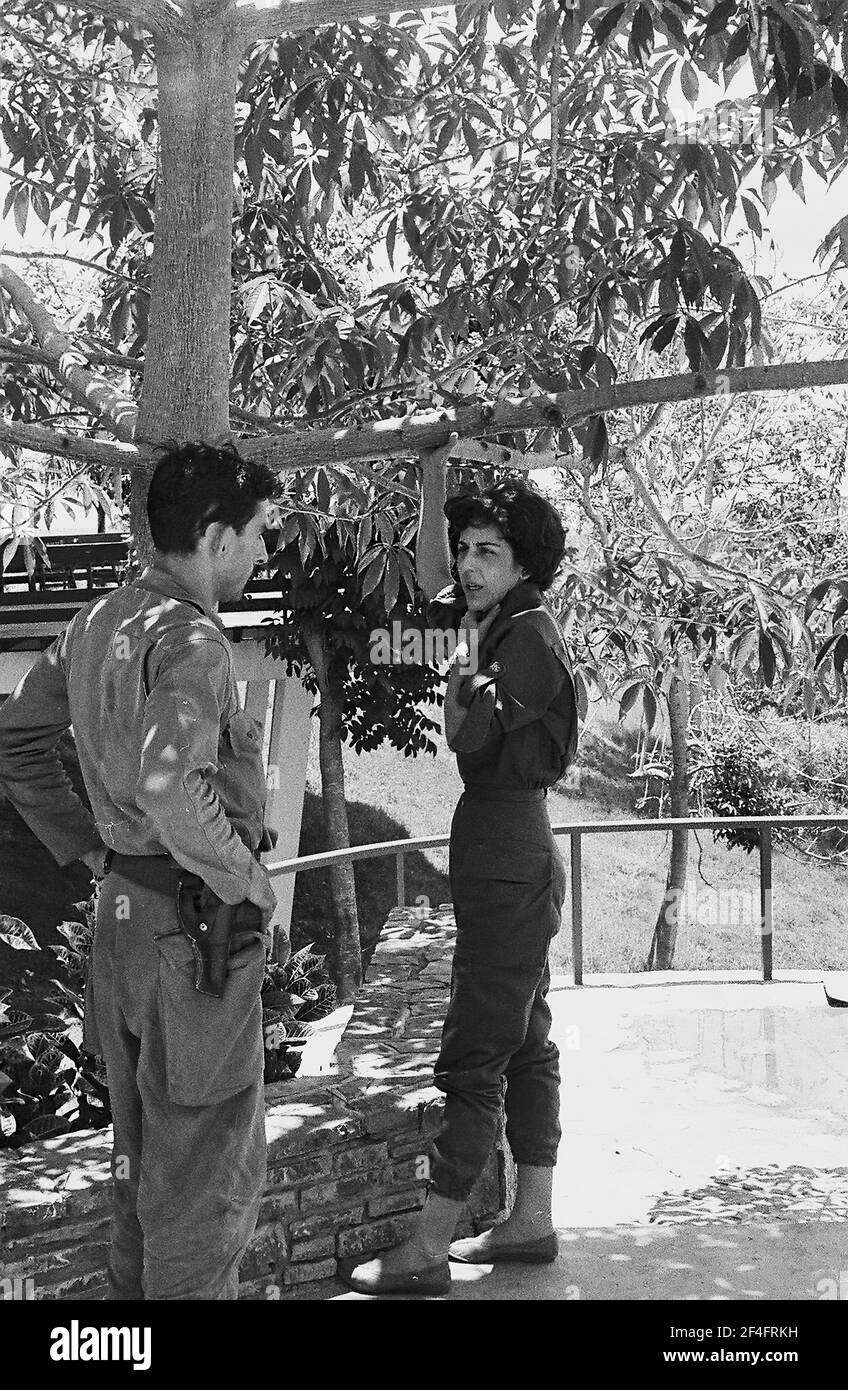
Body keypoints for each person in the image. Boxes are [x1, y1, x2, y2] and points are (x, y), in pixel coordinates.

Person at [0, 441, 283, 1300]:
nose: (265, 553)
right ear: (211, 535)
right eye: (258, 533)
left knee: (139, 1163)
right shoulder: (189, 641)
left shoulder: (98, 623)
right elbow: (170, 786)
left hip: (123, 916)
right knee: (203, 1176)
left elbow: (16, 740)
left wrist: (90, 848)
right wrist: (247, 879)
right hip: (192, 928)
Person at [341, 436, 578, 1296]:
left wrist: (454, 682)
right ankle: (531, 1222)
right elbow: (441, 573)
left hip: (510, 850)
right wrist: (435, 467)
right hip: (500, 849)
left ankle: (424, 1251)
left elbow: (467, 731)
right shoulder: (500, 620)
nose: (467, 568)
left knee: (474, 1054)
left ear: (524, 564)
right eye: (468, 550)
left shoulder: (528, 640)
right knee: (525, 1044)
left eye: (489, 553)